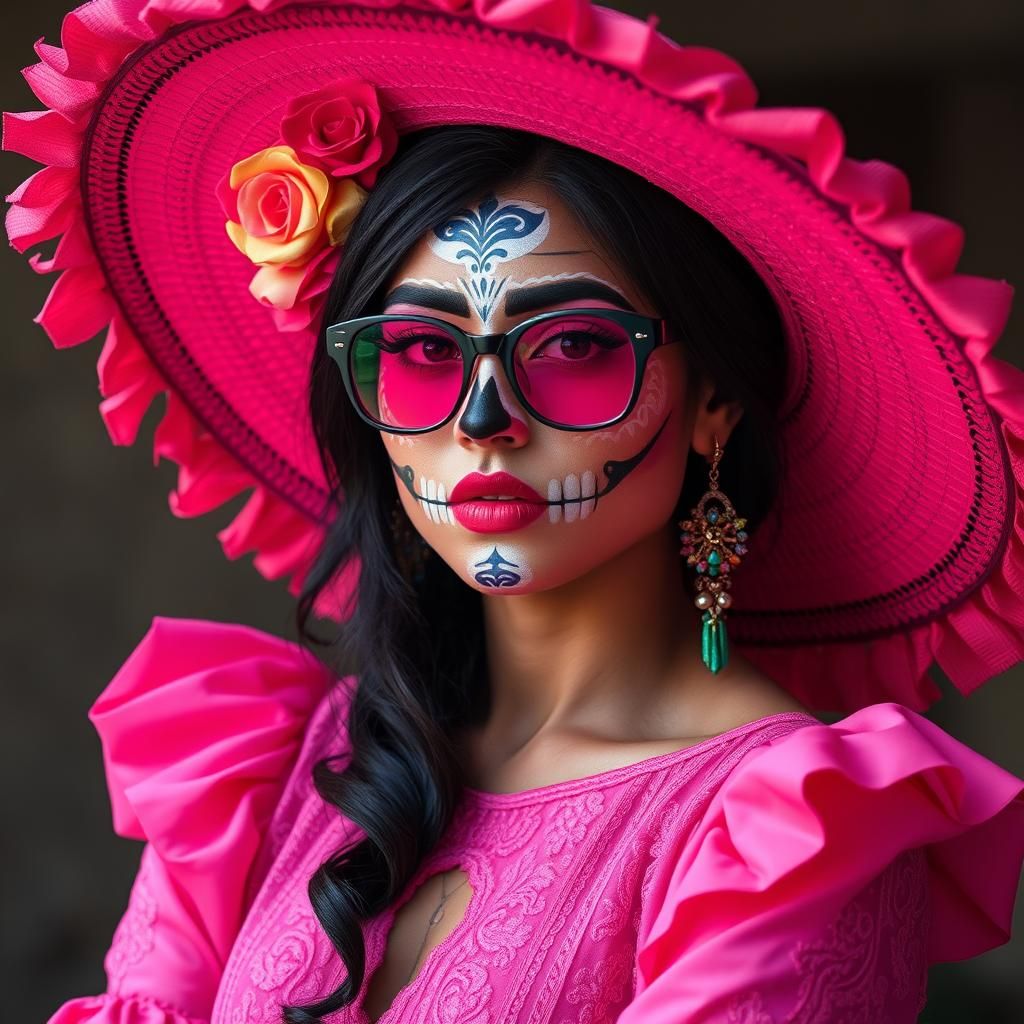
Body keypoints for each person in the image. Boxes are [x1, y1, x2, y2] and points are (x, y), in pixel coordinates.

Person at [5, 1, 1023, 1022]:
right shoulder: (266, 769)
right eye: (421, 353)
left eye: (574, 346)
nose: (483, 421)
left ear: (713, 399)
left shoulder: (789, 839)